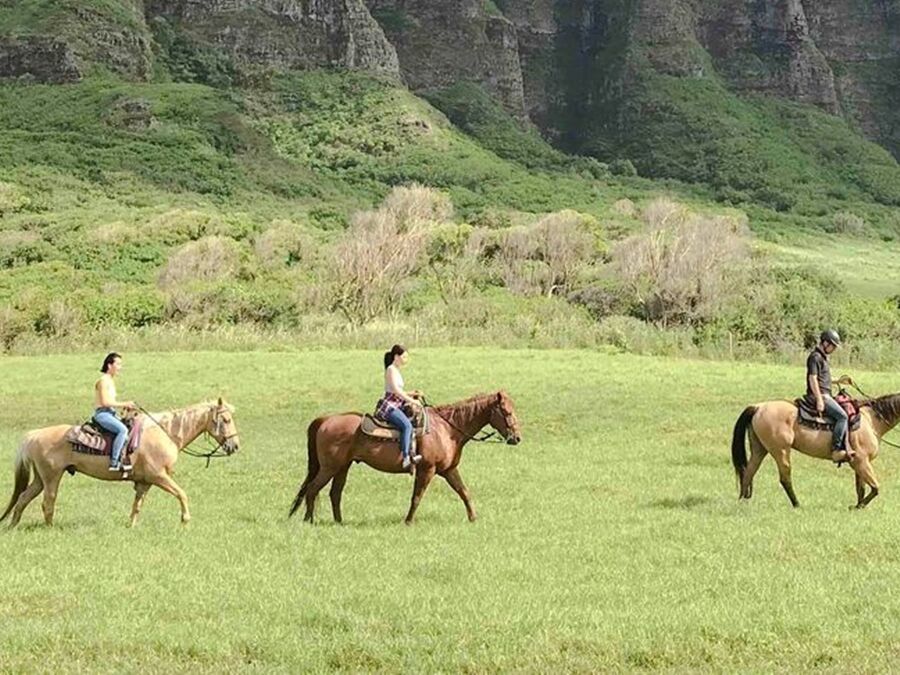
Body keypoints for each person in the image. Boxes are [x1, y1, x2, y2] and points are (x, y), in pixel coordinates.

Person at [806, 330, 855, 463]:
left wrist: (839, 381)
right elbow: (813, 378)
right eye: (832, 345)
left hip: (826, 394)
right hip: (821, 395)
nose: (833, 349)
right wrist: (819, 399)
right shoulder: (815, 357)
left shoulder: (822, 358)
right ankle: (836, 449)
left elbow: (824, 379)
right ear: (825, 342)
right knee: (842, 416)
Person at [374, 345, 423, 470]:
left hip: (397, 404)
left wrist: (413, 393)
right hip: (390, 406)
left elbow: (399, 390)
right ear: (396, 356)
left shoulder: (396, 370)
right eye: (404, 356)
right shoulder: (391, 369)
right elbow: (396, 391)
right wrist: (412, 400)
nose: (406, 359)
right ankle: (406, 457)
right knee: (407, 425)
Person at [94, 352, 136, 472]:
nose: (120, 367)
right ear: (109, 365)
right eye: (118, 364)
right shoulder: (103, 381)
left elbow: (111, 402)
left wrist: (124, 407)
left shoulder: (110, 381)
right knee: (122, 430)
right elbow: (105, 402)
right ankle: (114, 462)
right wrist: (124, 404)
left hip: (110, 413)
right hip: (102, 414)